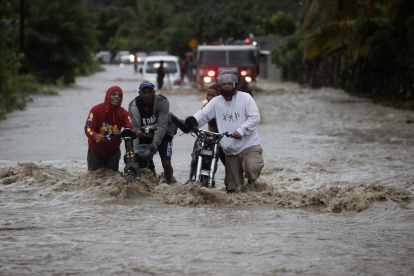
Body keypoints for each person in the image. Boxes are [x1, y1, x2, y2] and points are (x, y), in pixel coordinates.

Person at [185, 70, 264, 193]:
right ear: (219, 85)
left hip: (249, 145)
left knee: (251, 169)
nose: (227, 85)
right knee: (233, 190)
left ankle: (255, 188)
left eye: (230, 83)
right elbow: (203, 115)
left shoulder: (246, 98)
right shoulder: (216, 102)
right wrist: (190, 123)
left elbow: (255, 118)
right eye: (224, 83)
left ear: (235, 84)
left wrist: (241, 130)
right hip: (230, 151)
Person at [128, 81, 177, 184]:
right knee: (143, 161)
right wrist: (135, 150)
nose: (147, 95)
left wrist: (155, 143)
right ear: (139, 93)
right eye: (144, 92)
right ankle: (151, 183)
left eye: (150, 92)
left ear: (154, 92)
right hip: (144, 136)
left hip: (164, 134)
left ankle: (170, 183)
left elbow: (162, 126)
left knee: (166, 163)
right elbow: (135, 130)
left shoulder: (162, 102)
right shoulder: (133, 106)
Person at [84, 86, 139, 171]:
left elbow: (130, 127)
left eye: (119, 96)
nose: (117, 97)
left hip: (113, 152)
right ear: (108, 96)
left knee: (112, 180)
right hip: (95, 151)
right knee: (94, 180)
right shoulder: (95, 110)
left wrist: (136, 132)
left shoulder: (123, 113)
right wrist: (95, 136)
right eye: (113, 94)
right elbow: (88, 128)